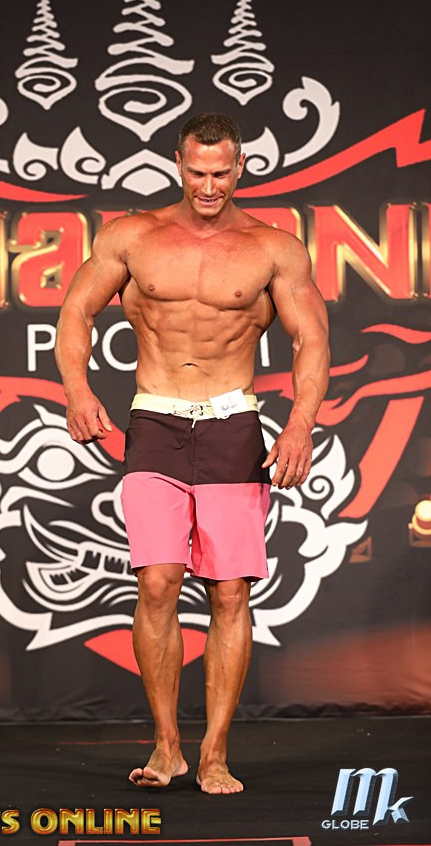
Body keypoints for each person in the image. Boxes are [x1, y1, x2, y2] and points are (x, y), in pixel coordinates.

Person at [54, 112, 330, 795]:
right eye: (198, 172)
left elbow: (311, 340)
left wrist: (300, 424)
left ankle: (214, 754)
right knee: (155, 583)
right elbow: (75, 311)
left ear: (242, 168)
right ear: (178, 164)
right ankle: (167, 746)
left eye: (221, 173)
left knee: (230, 591)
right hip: (155, 421)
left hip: (233, 424)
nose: (209, 186)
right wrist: (78, 390)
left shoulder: (274, 248)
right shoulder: (131, 236)